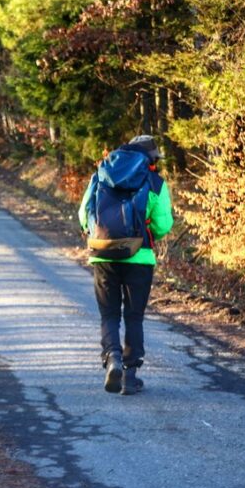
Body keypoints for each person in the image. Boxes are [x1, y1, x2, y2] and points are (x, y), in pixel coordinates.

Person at [78, 135, 173, 395]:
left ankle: (113, 358)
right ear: (151, 159)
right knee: (134, 315)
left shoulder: (101, 173)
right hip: (139, 256)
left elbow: (84, 214)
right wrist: (145, 232)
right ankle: (130, 376)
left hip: (103, 255)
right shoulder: (155, 182)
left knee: (109, 314)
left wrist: (96, 234)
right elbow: (164, 224)